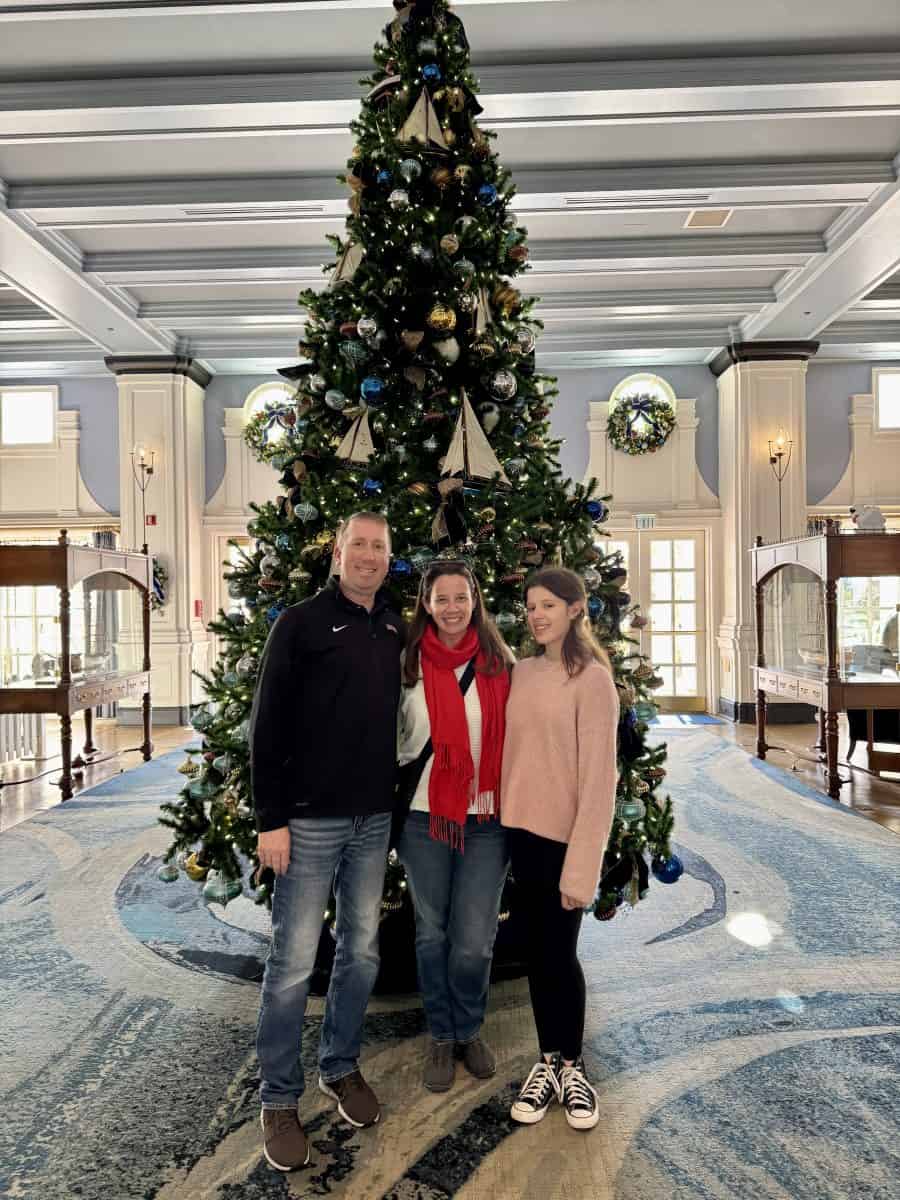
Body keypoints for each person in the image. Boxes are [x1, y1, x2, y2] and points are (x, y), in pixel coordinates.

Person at [250, 512, 404, 1172]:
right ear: (337, 553)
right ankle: (278, 1098)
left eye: (379, 547)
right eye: (358, 545)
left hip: (374, 820)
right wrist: (271, 820)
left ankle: (339, 1066)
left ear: (389, 558)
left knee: (361, 951)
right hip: (309, 822)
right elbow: (266, 725)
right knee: (292, 963)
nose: (368, 555)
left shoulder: (394, 626)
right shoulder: (300, 623)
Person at [501, 567, 619, 1132]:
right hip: (519, 837)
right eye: (530, 607)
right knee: (536, 953)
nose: (536, 616)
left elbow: (599, 783)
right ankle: (548, 1061)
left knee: (559, 954)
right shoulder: (522, 672)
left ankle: (572, 1068)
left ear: (575, 609)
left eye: (548, 605)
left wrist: (581, 869)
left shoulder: (592, 681)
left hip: (563, 843)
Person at [396, 560, 513, 1092]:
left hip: (486, 818)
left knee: (474, 941)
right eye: (440, 598)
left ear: (475, 601)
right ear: (426, 604)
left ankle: (469, 1027)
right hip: (424, 819)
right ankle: (443, 1034)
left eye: (460, 597)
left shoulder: (499, 661)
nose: (451, 608)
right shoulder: (407, 665)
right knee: (432, 932)